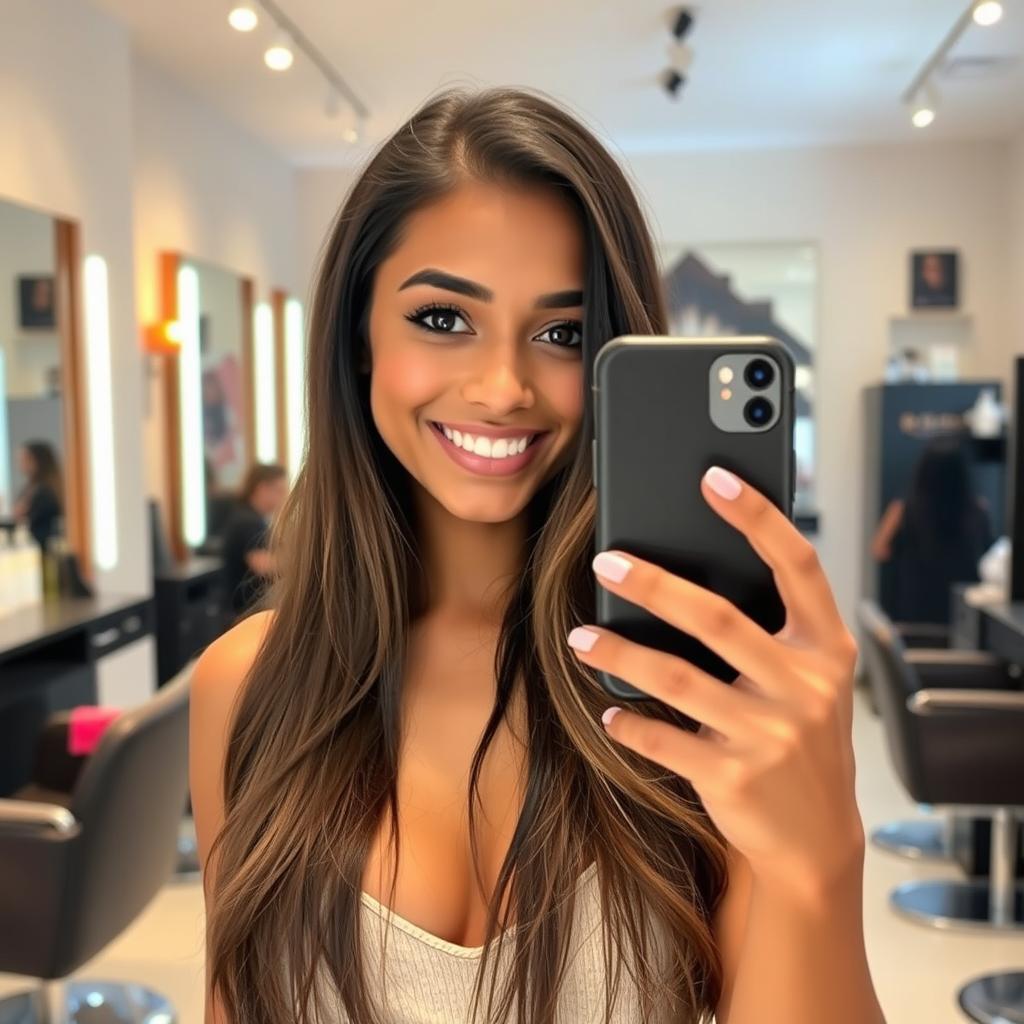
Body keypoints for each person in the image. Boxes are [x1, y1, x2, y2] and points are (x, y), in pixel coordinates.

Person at [190, 88, 883, 1024]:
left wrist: (821, 860)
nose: (504, 386)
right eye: (443, 318)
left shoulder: (694, 697)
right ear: (359, 337)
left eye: (562, 333)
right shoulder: (249, 686)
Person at [871, 438, 993, 625]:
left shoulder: (902, 509)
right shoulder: (978, 510)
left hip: (914, 610)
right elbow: (989, 560)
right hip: (962, 614)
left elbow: (879, 550)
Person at [220, 463, 288, 618]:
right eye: (280, 490)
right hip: (245, 612)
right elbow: (264, 565)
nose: (284, 496)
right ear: (262, 489)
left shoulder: (247, 517)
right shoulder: (248, 522)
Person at [12, 441, 63, 550]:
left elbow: (29, 520)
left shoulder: (47, 491)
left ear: (37, 461)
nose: (20, 464)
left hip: (44, 547)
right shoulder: (30, 488)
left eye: (24, 459)